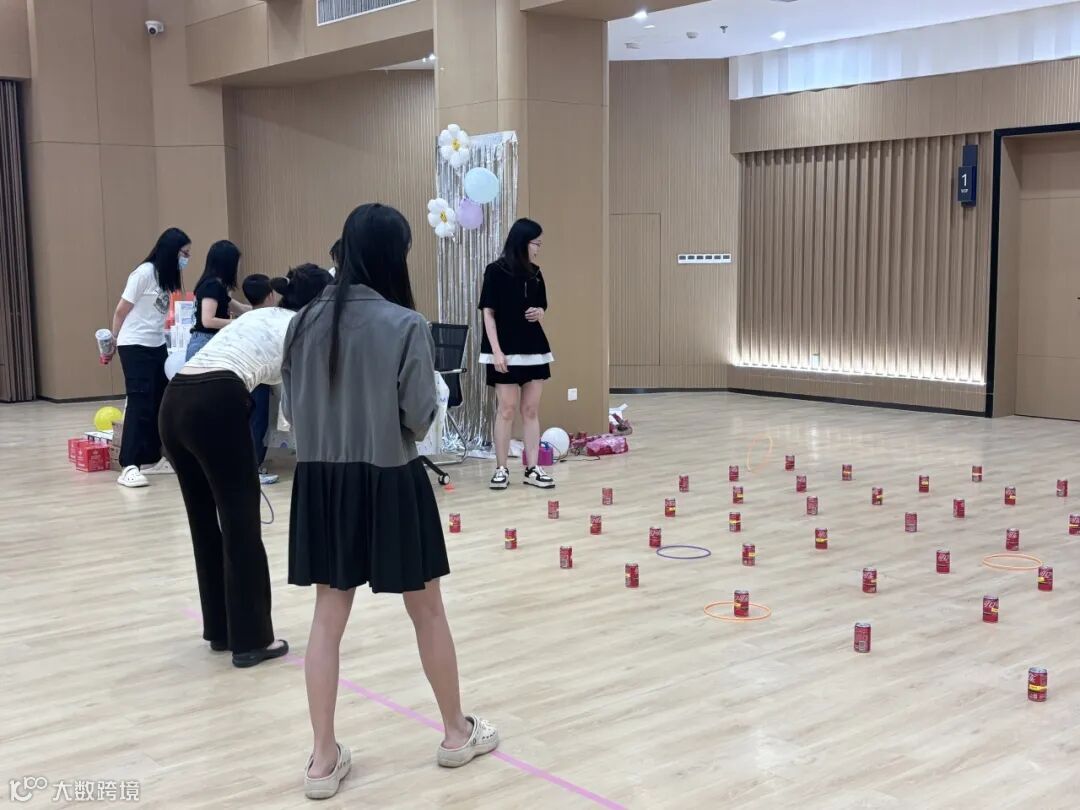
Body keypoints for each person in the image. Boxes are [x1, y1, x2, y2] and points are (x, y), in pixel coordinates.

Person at [283, 204, 497, 800]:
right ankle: (456, 733)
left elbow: (292, 414)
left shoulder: (301, 323)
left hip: (323, 483)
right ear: (393, 256)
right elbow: (420, 417)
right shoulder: (406, 324)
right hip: (391, 478)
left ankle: (322, 760)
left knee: (327, 619)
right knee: (427, 611)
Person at [159, 264, 332, 669]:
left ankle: (221, 630)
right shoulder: (303, 328)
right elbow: (297, 403)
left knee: (205, 522)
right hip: (217, 402)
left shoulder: (263, 314)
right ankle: (252, 640)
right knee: (241, 524)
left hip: (175, 400)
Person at [104, 227, 191, 489]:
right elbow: (121, 311)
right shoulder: (143, 273)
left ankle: (153, 457)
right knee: (139, 401)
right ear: (171, 251)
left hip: (156, 345)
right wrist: (113, 341)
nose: (186, 259)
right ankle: (129, 464)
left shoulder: (166, 278)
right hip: (134, 345)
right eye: (184, 253)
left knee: (161, 401)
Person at [478, 218, 554, 490]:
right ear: (523, 242)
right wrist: (496, 351)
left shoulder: (536, 273)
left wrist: (540, 312)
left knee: (530, 410)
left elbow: (542, 305)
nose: (538, 249)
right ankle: (501, 468)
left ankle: (533, 468)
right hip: (505, 351)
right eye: (536, 243)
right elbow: (488, 313)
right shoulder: (495, 271)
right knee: (507, 409)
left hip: (534, 348)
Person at [241, 273, 281, 486]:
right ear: (270, 295)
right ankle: (253, 466)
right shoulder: (271, 319)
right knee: (258, 420)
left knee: (247, 420)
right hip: (261, 377)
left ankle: (248, 464)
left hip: (243, 376)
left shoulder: (244, 319)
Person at [185, 239, 249, 360]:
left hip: (209, 341)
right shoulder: (212, 285)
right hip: (205, 343)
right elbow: (208, 321)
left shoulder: (218, 286)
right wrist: (238, 323)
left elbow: (240, 308)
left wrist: (260, 311)